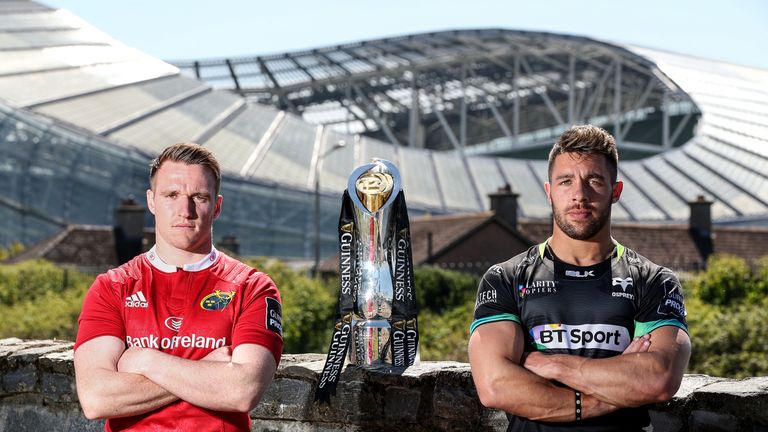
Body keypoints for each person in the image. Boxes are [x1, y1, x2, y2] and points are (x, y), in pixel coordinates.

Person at [468, 125, 691, 431]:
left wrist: (550, 364)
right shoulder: (504, 278)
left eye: (594, 181)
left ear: (615, 191)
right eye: (566, 181)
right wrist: (606, 398)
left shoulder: (653, 281)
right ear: (549, 192)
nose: (579, 195)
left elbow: (658, 380)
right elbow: (495, 386)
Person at [74, 143, 283, 431]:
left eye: (198, 196)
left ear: (217, 206)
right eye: (171, 195)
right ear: (151, 201)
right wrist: (206, 371)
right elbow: (96, 398)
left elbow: (242, 391)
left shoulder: (253, 288)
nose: (185, 210)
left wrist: (145, 360)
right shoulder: (112, 287)